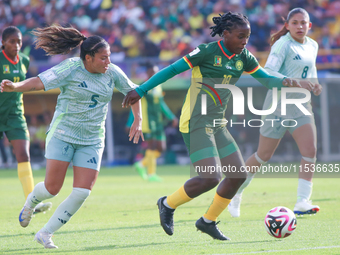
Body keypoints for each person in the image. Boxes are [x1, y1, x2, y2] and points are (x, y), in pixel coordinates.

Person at [122, 12, 308, 240]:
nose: (244, 42)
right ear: (226, 33)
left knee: (238, 176)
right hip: (196, 121)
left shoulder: (244, 58)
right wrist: (141, 90)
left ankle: (207, 221)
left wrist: (291, 82)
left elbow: (267, 80)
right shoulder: (207, 52)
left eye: (247, 37)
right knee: (210, 178)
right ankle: (167, 204)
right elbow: (171, 70)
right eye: (240, 36)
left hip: (218, 124)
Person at [0, 24, 143, 249]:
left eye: (110, 57)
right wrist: (15, 86)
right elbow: (39, 82)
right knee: (51, 189)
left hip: (93, 139)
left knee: (82, 192)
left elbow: (134, 93)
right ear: (88, 58)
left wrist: (138, 119)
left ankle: (45, 233)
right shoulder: (71, 68)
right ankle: (30, 202)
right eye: (104, 58)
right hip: (64, 134)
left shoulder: (112, 72)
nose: (109, 62)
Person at [227, 8, 322, 218]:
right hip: (277, 104)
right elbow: (269, 71)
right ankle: (235, 191)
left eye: (303, 23)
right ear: (287, 25)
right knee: (263, 155)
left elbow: (311, 74)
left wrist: (315, 86)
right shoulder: (283, 44)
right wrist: (295, 82)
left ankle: (302, 201)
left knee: (310, 151)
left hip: (301, 105)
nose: (299, 27)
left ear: (309, 25)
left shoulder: (313, 45)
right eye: (295, 23)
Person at [0, 26, 52, 213]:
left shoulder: (24, 60)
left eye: (19, 41)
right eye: (12, 41)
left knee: (24, 155)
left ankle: (32, 203)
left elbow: (24, 84)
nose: (16, 45)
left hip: (15, 113)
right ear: (3, 42)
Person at [126, 62, 178, 182]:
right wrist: (130, 123)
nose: (155, 74)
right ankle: (151, 174)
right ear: (148, 73)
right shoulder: (143, 87)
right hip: (147, 122)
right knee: (152, 146)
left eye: (156, 72)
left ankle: (141, 165)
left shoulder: (158, 87)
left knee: (161, 148)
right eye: (153, 72)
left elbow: (161, 104)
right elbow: (134, 104)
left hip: (158, 121)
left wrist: (171, 117)